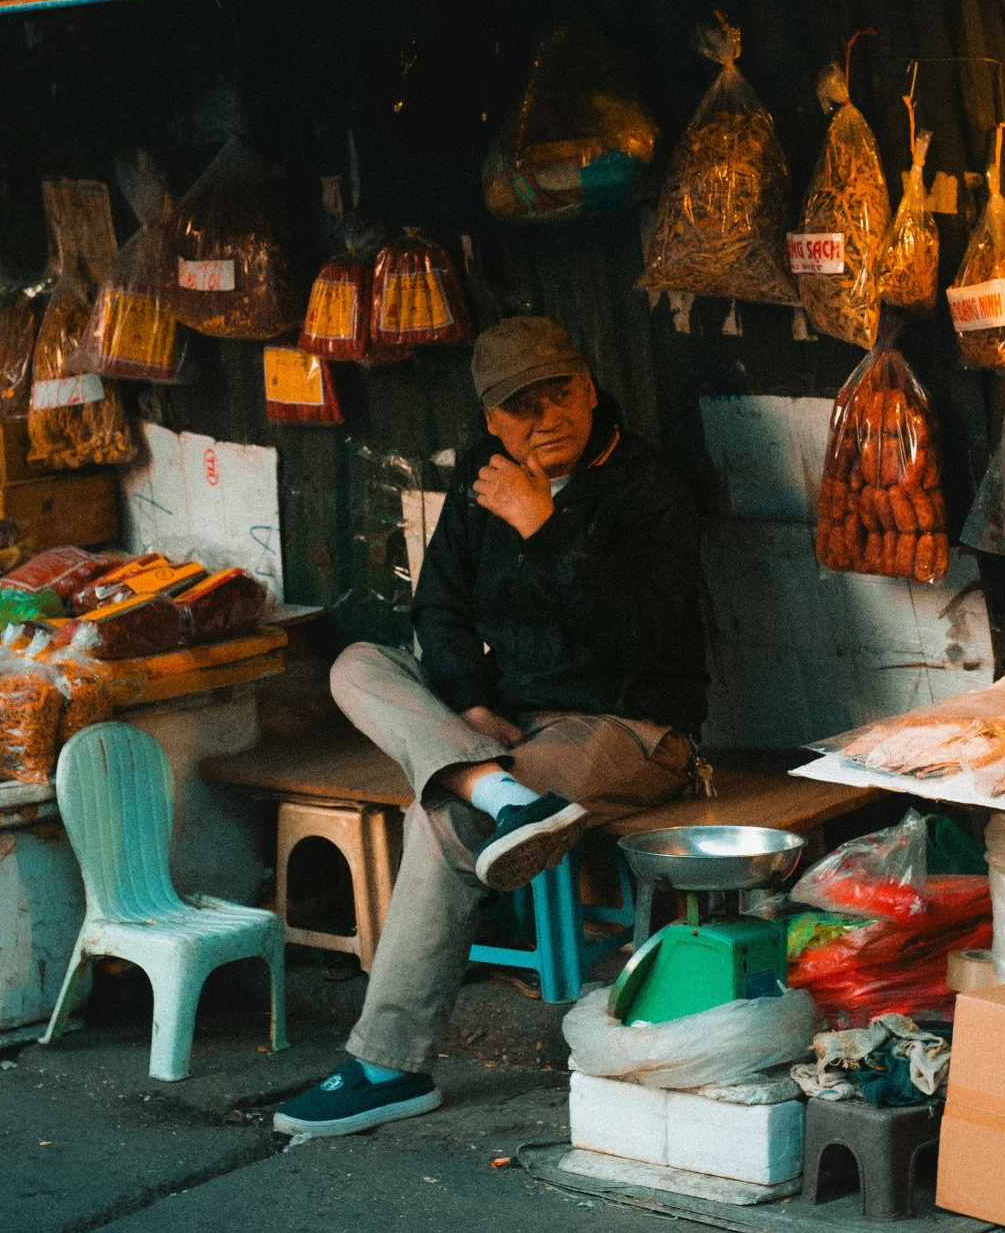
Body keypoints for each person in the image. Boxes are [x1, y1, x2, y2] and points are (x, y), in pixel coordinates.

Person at [272, 316, 708, 1137]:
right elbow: (439, 605)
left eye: (564, 393)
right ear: (491, 422)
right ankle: (494, 785)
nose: (550, 418)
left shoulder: (649, 484)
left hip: (629, 727)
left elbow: (634, 635)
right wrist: (468, 700)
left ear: (590, 386)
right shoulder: (485, 475)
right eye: (523, 407)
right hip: (504, 729)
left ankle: (387, 1064)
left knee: (438, 817)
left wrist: (545, 525)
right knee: (357, 664)